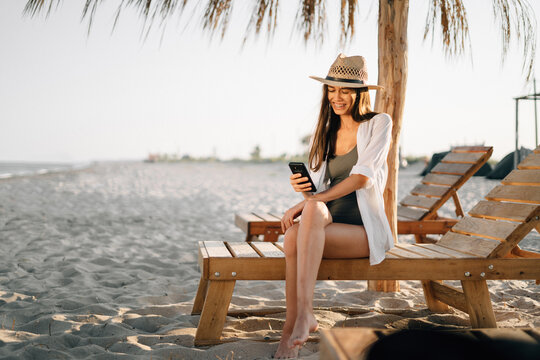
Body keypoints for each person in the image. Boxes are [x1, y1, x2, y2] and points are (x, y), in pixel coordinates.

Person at [274, 54, 394, 359]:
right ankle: (292, 326)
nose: (336, 97)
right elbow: (318, 192)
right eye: (331, 90)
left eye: (344, 90)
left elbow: (362, 179)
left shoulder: (378, 123)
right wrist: (301, 195)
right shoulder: (327, 132)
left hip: (362, 231)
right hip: (329, 225)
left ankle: (302, 317)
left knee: (309, 213)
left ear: (359, 92)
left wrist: (309, 204)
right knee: (292, 234)